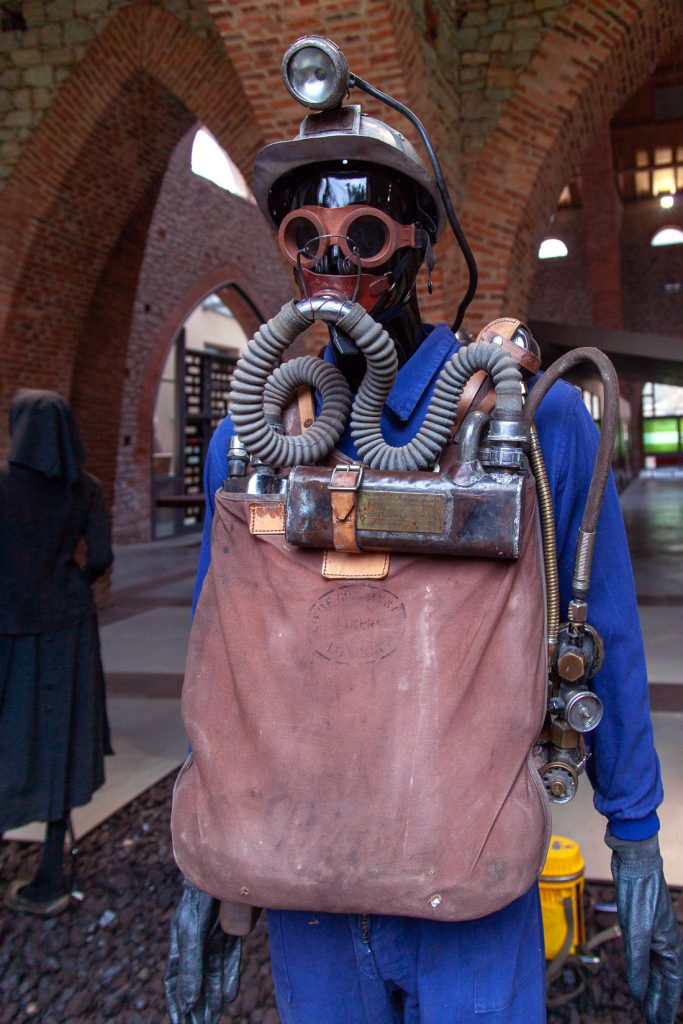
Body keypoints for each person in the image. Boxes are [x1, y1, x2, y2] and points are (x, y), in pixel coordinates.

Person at [165, 43, 682, 1024]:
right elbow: (220, 658)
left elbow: (597, 632)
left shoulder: (531, 428)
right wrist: (210, 883)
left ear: (421, 245)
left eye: (363, 229)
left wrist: (634, 837)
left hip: (469, 880)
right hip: (303, 879)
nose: (330, 257)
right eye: (301, 229)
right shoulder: (253, 436)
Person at [1, 389, 113, 916]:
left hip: (7, 628)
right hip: (66, 628)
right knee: (60, 733)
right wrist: (71, 585)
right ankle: (51, 864)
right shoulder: (83, 489)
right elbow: (102, 556)